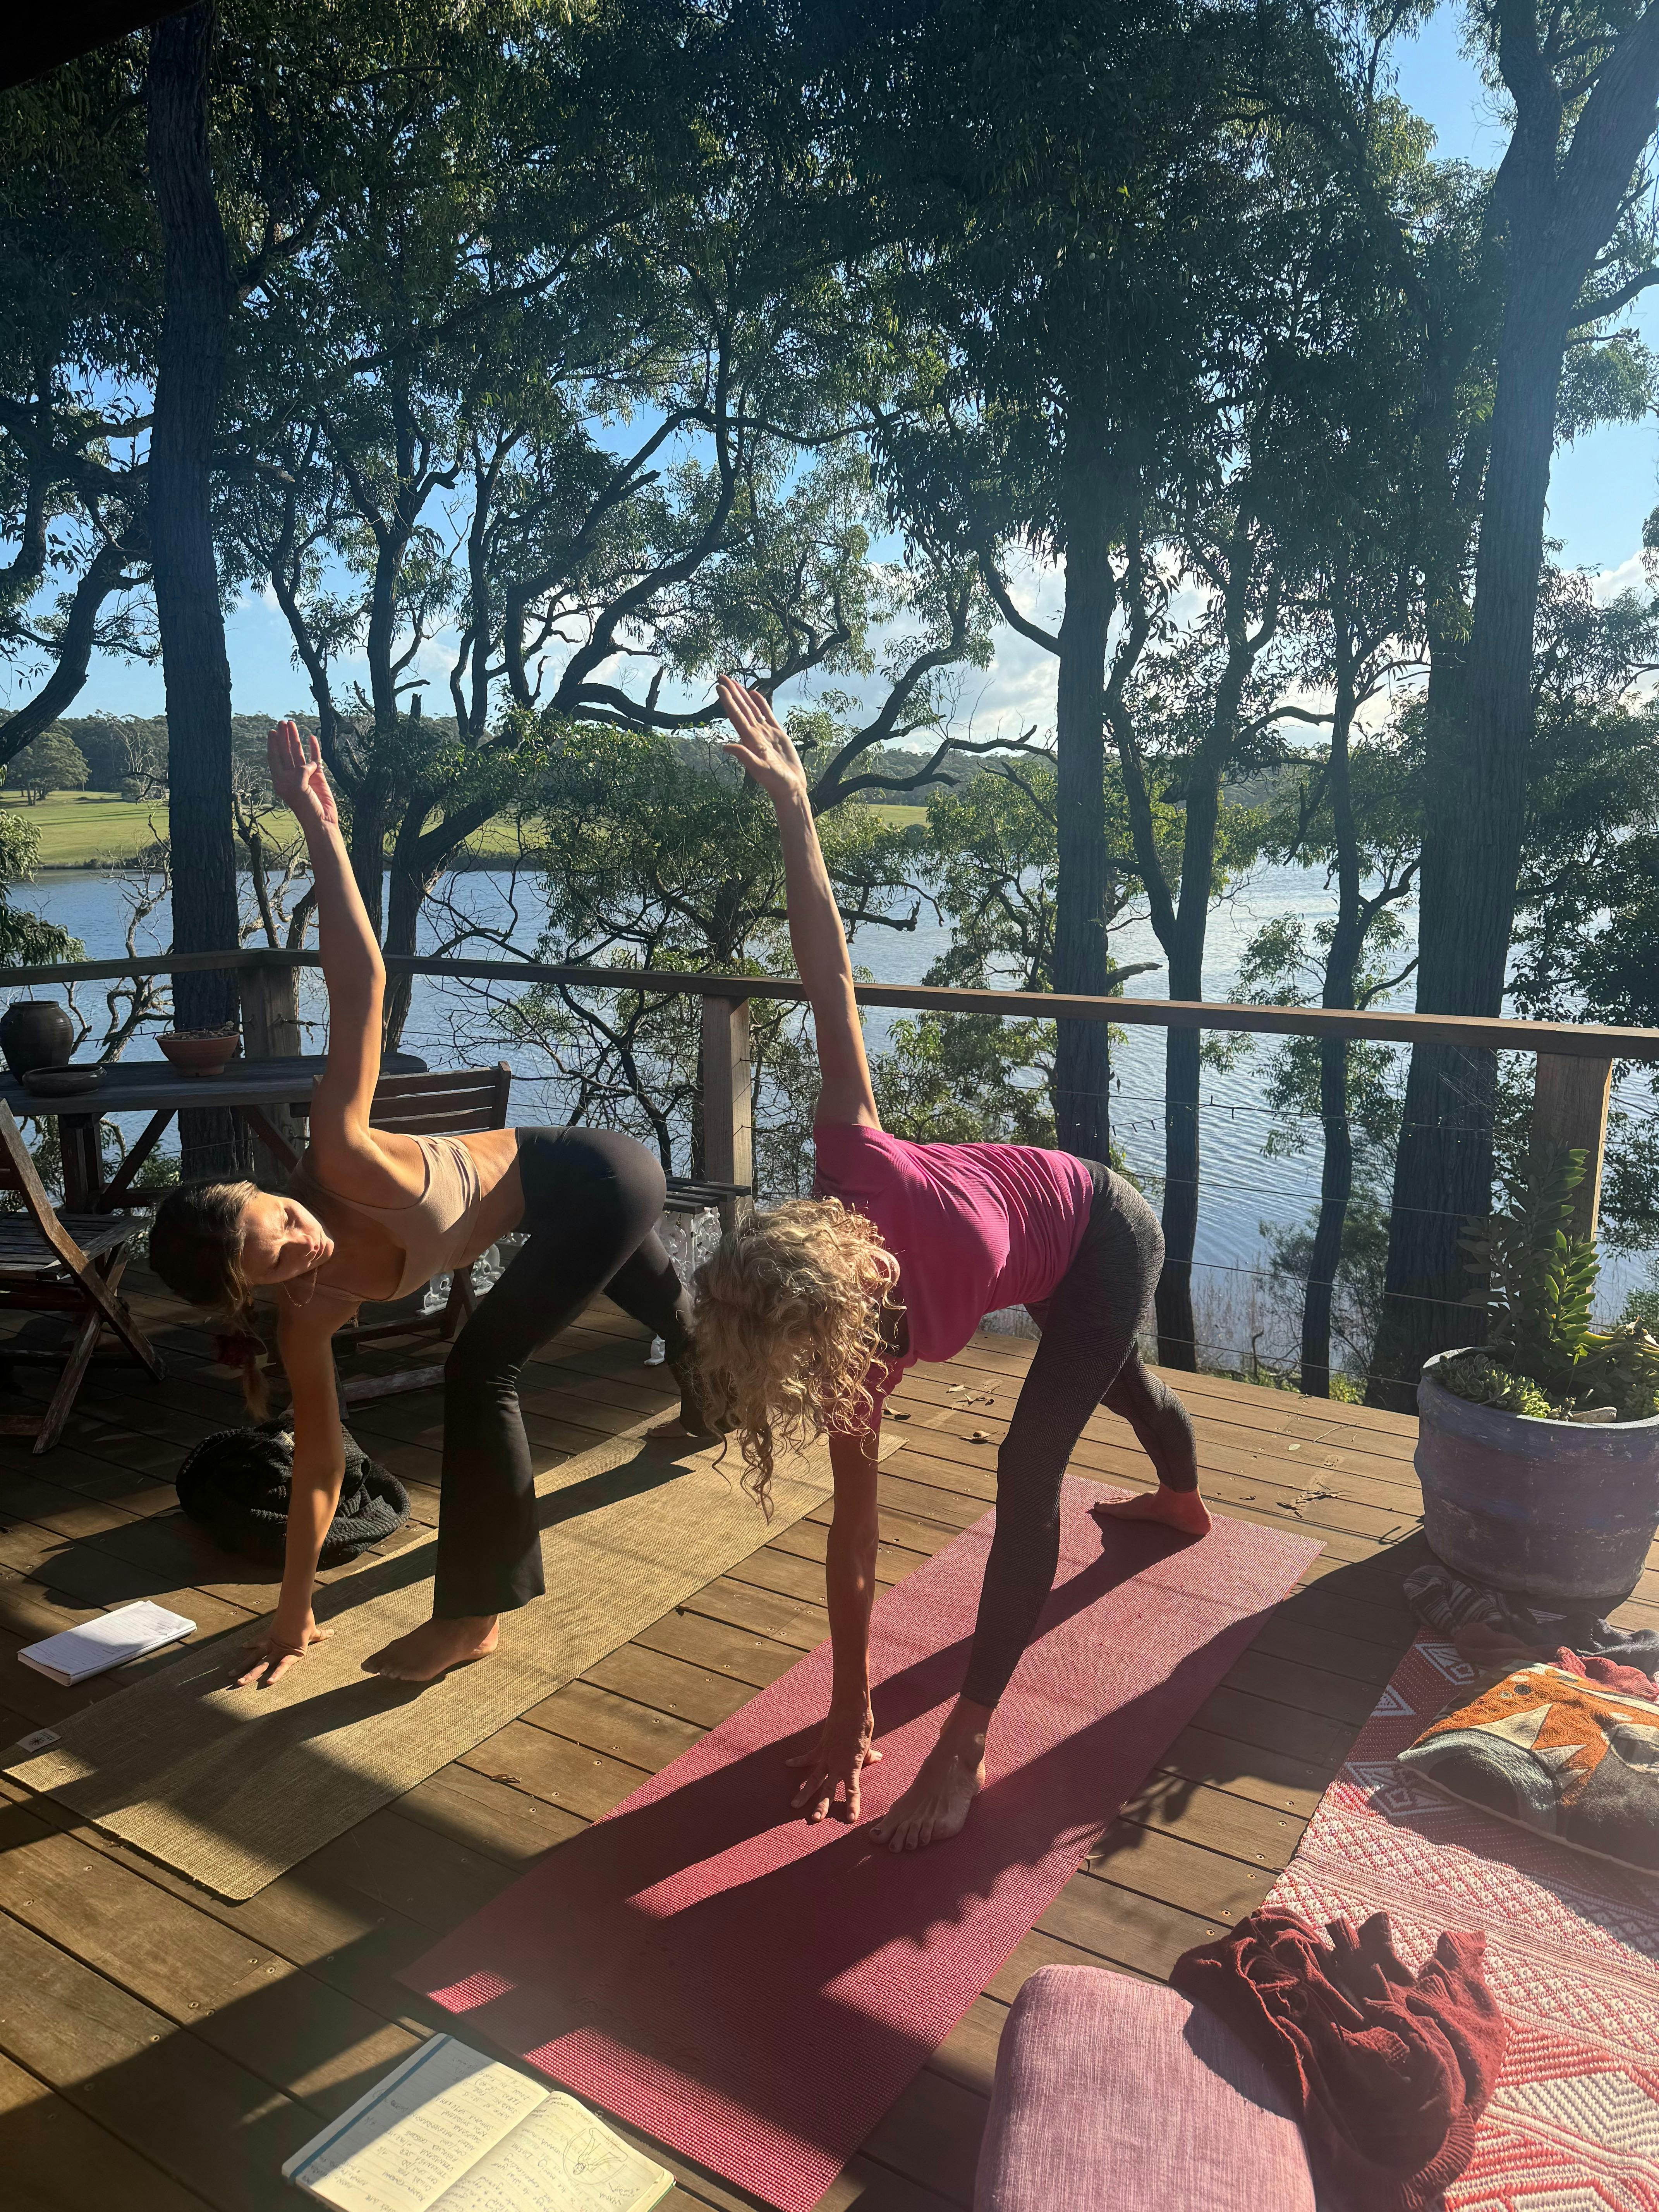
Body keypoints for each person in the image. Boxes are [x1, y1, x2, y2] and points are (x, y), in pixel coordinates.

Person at [692, 677, 1209, 1852]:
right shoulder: (849, 1365)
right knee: (1121, 1387)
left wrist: (797, 811)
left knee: (1030, 1465)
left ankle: (965, 1748)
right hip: (1037, 1266)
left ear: (833, 1292)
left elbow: (827, 973)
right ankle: (1181, 1501)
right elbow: (854, 1534)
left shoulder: (857, 1154)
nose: (823, 1382)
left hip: (1097, 1229)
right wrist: (848, 1703)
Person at [149, 721, 717, 1687]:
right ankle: (713, 1398)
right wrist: (295, 1613)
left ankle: (474, 1616)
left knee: (479, 1370)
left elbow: (361, 983)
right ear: (248, 1294)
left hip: (597, 1173)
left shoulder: (340, 1153)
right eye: (273, 1262)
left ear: (261, 1188)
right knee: (673, 1311)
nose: (302, 1246)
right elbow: (321, 1468)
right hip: (553, 1217)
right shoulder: (305, 1320)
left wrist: (319, 827)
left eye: (278, 1220)